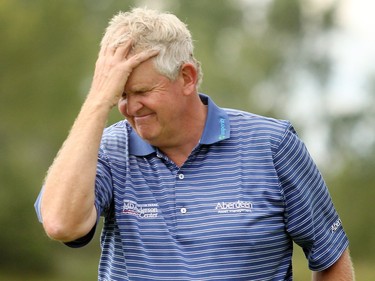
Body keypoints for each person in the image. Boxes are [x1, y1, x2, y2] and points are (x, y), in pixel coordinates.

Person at [35, 7, 355, 281]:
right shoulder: (107, 150)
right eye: (120, 94)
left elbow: (330, 255)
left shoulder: (273, 146)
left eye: (142, 91)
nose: (131, 108)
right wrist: (96, 101)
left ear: (186, 77)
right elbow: (62, 224)